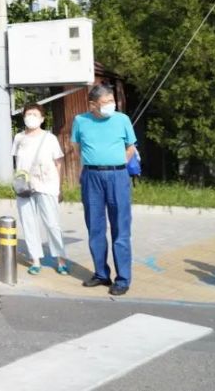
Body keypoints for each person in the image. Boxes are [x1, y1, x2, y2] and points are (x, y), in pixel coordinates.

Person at [71, 84, 137, 296]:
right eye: (105, 102)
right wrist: (95, 163)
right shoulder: (81, 121)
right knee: (95, 227)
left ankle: (123, 278)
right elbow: (77, 147)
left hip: (118, 176)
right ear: (92, 105)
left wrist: (116, 165)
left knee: (121, 228)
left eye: (111, 101)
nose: (110, 105)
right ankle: (101, 273)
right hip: (91, 176)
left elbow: (130, 147)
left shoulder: (122, 120)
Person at [11, 103, 68, 276]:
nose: (31, 117)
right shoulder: (19, 138)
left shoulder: (49, 138)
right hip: (25, 186)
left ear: (42, 119)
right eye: (29, 114)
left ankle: (61, 260)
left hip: (47, 185)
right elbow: (17, 162)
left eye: (35, 114)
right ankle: (35, 259)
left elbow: (58, 163)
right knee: (28, 222)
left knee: (52, 223)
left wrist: (59, 187)